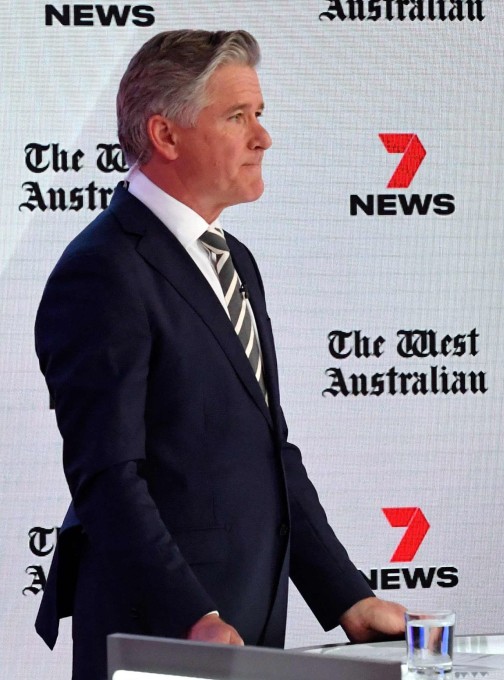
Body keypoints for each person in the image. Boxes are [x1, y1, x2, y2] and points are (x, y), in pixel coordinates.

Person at [34, 30, 404, 679]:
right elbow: (107, 477)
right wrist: (191, 616)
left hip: (246, 626)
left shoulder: (236, 262)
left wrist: (347, 595)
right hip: (162, 636)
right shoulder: (102, 272)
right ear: (166, 136)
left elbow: (270, 454)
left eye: (259, 116)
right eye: (238, 117)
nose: (263, 138)